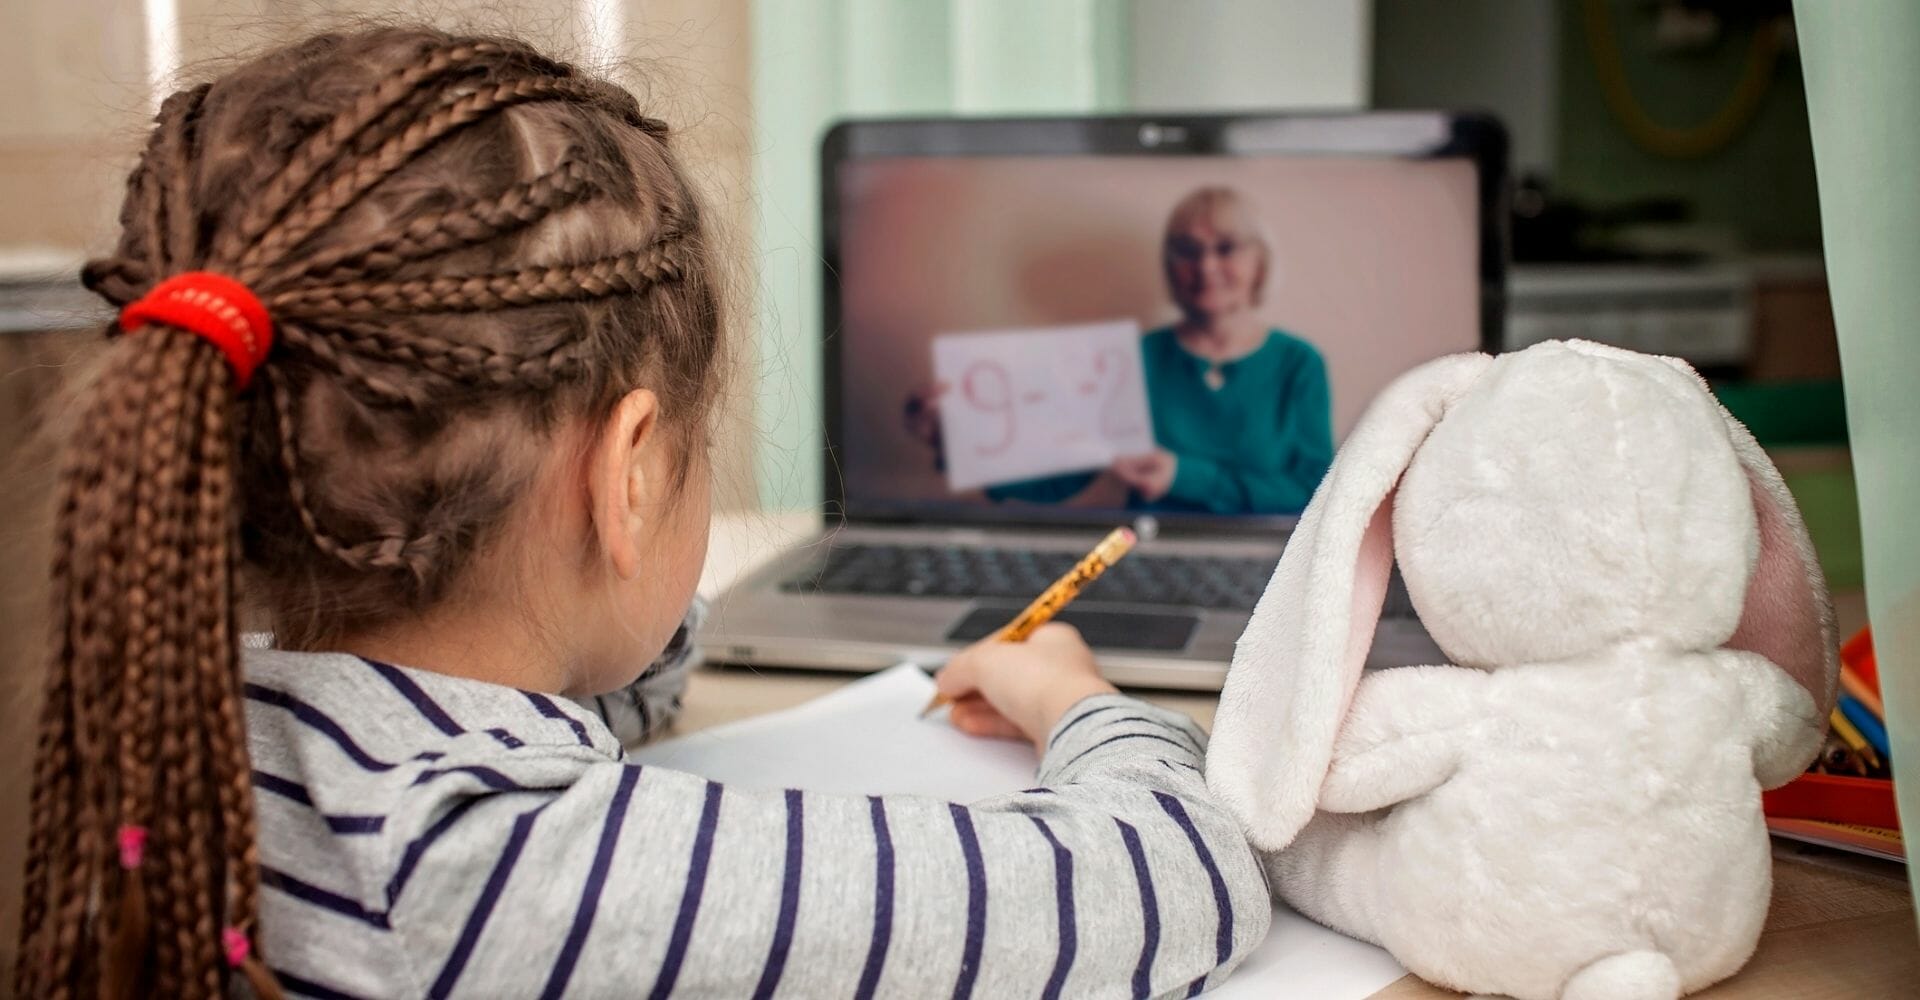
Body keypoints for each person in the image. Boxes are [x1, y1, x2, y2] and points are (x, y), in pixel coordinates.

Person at [15, 27, 1270, 999]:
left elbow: (612, 690)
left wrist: (612, 614)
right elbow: (1179, 872)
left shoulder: (190, 714)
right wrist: (1073, 696)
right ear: (627, 475)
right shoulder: (518, 869)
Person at [908, 186, 1334, 516]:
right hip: (1144, 553)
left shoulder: (1298, 363)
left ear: (1260, 262)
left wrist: (1184, 476)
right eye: (1186, 250)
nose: (1205, 266)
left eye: (1226, 248)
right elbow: (1064, 475)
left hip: (1270, 561)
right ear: (1170, 265)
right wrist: (963, 438)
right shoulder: (1130, 358)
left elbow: (1314, 493)